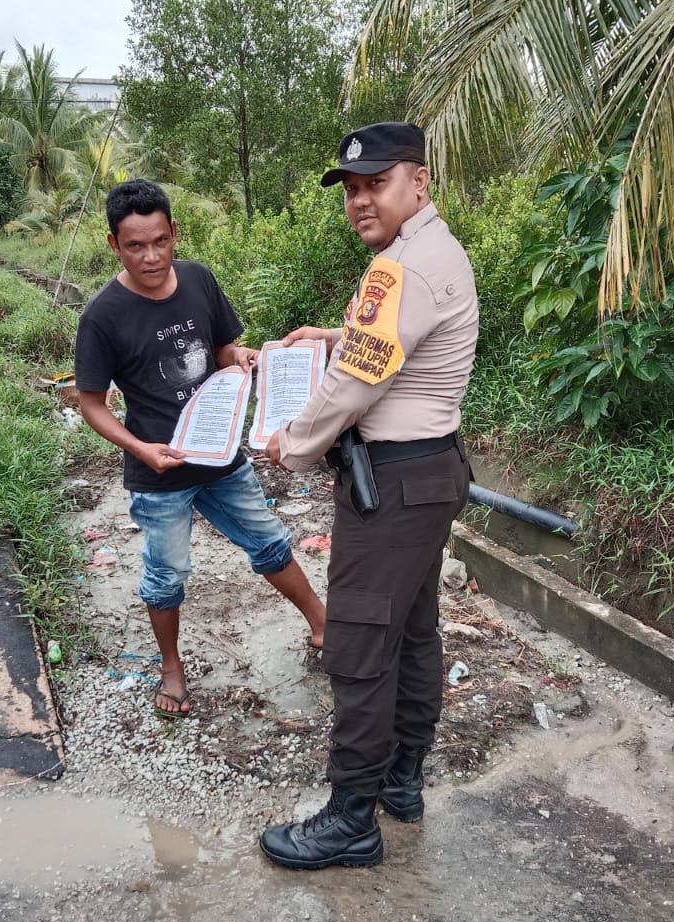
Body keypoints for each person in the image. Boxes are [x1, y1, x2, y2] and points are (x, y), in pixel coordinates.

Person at [259, 122, 479, 869]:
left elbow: (355, 384)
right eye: (351, 189)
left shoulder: (399, 271)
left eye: (375, 184)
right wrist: (330, 332)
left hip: (392, 486)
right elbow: (387, 346)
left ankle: (352, 818)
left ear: (418, 182)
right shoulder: (427, 252)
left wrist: (291, 444)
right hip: (434, 473)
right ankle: (402, 782)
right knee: (414, 634)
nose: (360, 201)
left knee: (357, 645)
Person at [75, 179, 326, 719]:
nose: (151, 256)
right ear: (113, 244)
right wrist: (140, 448)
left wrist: (241, 358)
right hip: (160, 468)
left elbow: (221, 350)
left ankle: (323, 626)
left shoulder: (198, 281)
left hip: (220, 455)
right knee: (166, 575)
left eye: (160, 241)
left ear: (174, 234)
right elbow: (91, 403)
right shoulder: (102, 315)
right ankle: (172, 667)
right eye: (136, 246)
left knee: (269, 540)